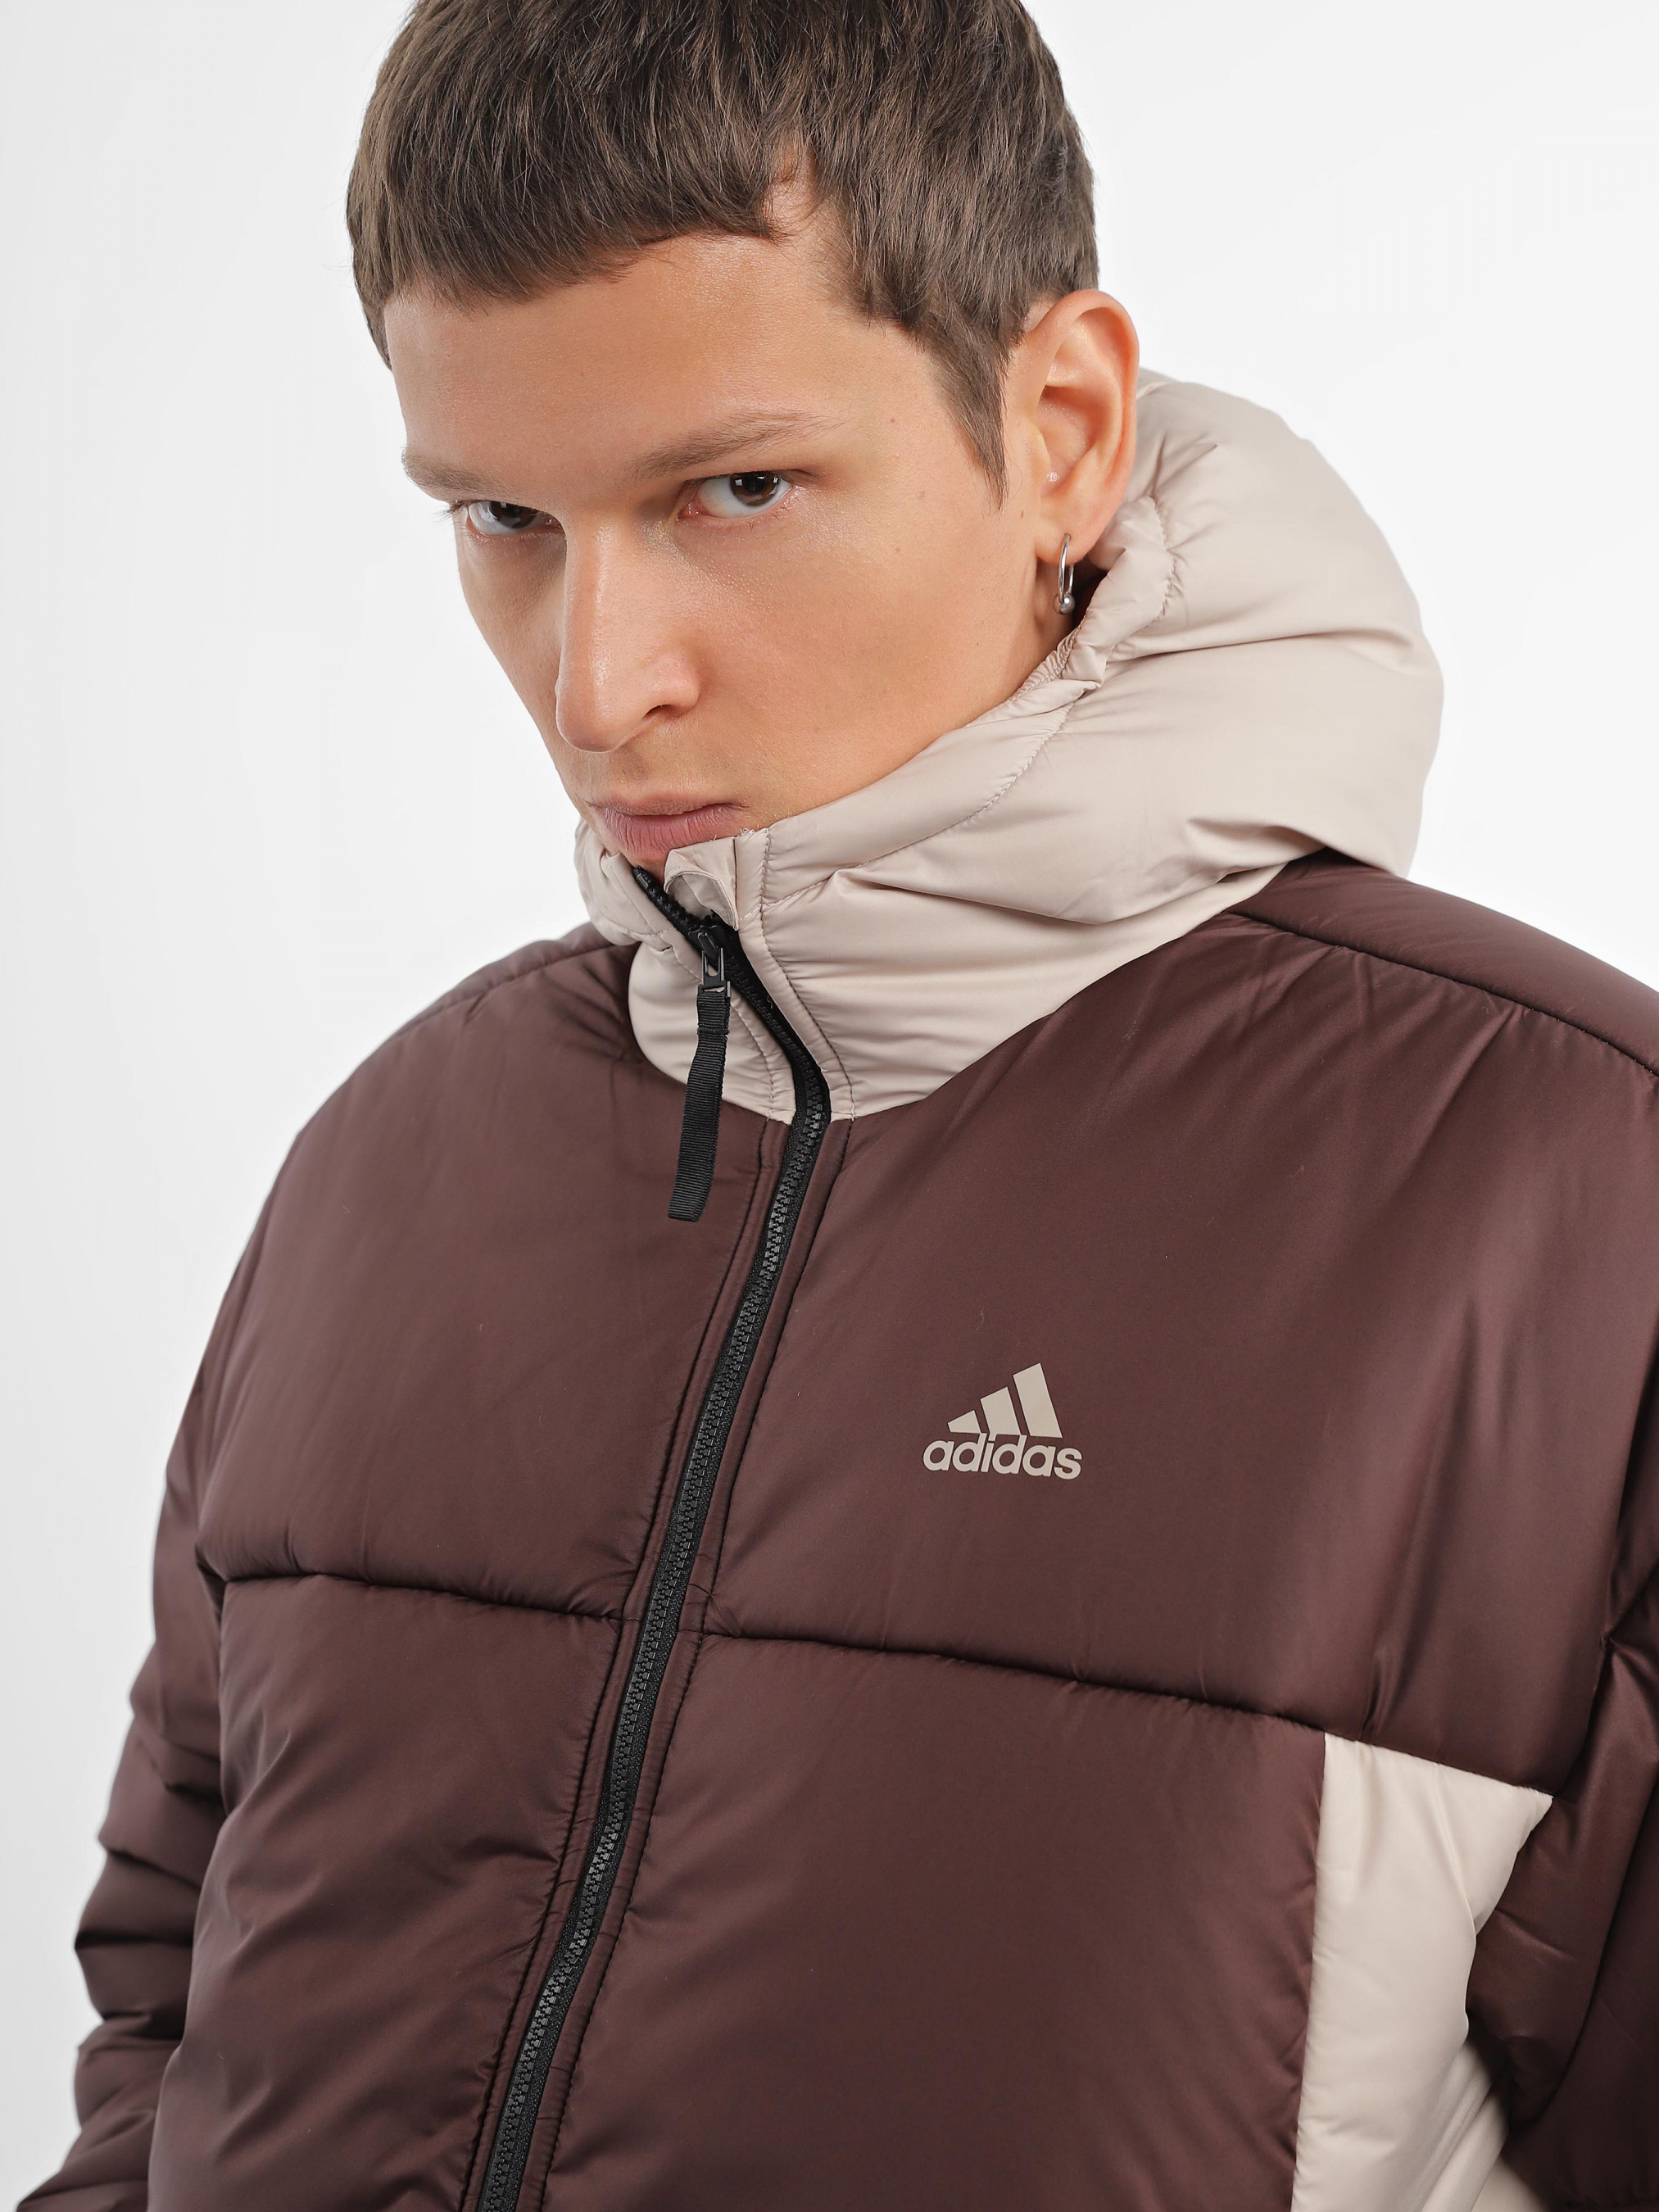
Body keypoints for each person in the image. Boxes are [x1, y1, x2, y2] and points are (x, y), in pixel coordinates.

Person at [25, 2, 1659, 2207]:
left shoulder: (1573, 1193)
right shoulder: (394, 1158)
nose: (598, 682)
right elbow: (168, 2015)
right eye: (503, 515)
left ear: (1060, 430)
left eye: (737, 490)